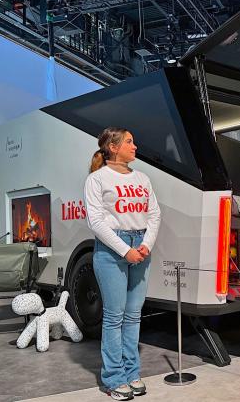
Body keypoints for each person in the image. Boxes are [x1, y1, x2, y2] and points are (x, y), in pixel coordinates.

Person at [84, 127, 162, 400]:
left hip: (140, 246)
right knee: (114, 316)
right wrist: (124, 250)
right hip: (111, 250)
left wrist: (146, 245)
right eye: (129, 142)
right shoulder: (97, 179)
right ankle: (114, 378)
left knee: (133, 315)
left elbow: (154, 214)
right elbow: (96, 222)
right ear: (113, 147)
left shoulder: (142, 178)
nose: (135, 146)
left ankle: (132, 373)